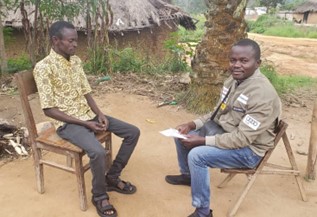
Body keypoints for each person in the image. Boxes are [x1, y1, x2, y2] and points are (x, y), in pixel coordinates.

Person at [33, 21, 140, 217]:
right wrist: (85, 123)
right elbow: (49, 110)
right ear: (56, 41)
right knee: (97, 152)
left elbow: (86, 91)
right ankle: (99, 196)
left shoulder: (75, 61)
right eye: (70, 41)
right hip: (68, 123)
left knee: (133, 132)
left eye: (76, 41)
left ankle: (112, 176)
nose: (75, 45)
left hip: (88, 116)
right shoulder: (43, 67)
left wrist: (99, 114)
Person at [165, 38, 281, 217]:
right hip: (226, 133)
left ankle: (203, 212)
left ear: (257, 63)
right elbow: (216, 113)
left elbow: (242, 139)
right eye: (233, 60)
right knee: (180, 135)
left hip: (249, 151)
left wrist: (202, 141)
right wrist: (191, 124)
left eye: (244, 61)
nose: (236, 65)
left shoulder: (262, 94)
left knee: (197, 155)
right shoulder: (233, 81)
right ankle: (188, 176)